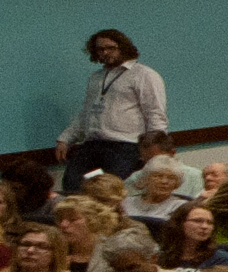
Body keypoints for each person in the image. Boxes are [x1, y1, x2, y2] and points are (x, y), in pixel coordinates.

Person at [59, 27, 167, 191]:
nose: (106, 53)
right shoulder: (96, 77)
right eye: (100, 49)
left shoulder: (144, 75)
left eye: (111, 48)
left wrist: (155, 150)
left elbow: (155, 114)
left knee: (110, 192)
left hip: (125, 147)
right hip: (93, 145)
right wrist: (65, 138)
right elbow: (86, 113)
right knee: (73, 186)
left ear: (123, 47)